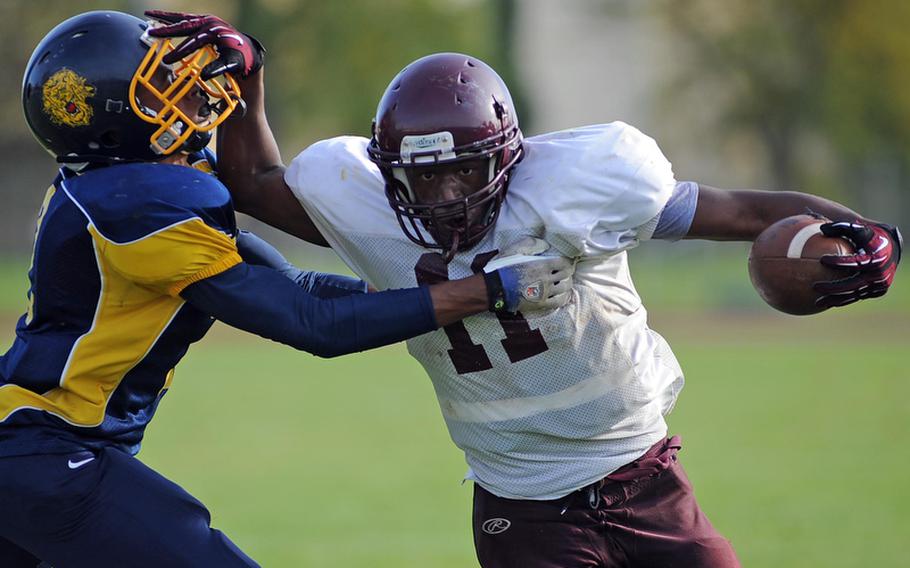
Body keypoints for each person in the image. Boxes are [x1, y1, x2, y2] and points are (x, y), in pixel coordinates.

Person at [161, 12, 902, 568]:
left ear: (509, 157)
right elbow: (255, 183)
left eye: (463, 170)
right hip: (522, 507)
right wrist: (249, 82)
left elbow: (743, 211)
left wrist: (870, 236)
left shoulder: (580, 184)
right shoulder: (366, 206)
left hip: (643, 475)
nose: (445, 194)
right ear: (389, 172)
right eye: (423, 176)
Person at [0, 11, 575, 568]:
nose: (194, 90)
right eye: (164, 86)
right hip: (48, 454)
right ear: (108, 117)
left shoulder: (122, 183)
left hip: (41, 449)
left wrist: (251, 78)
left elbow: (296, 284)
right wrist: (484, 292)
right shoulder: (134, 210)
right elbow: (312, 325)